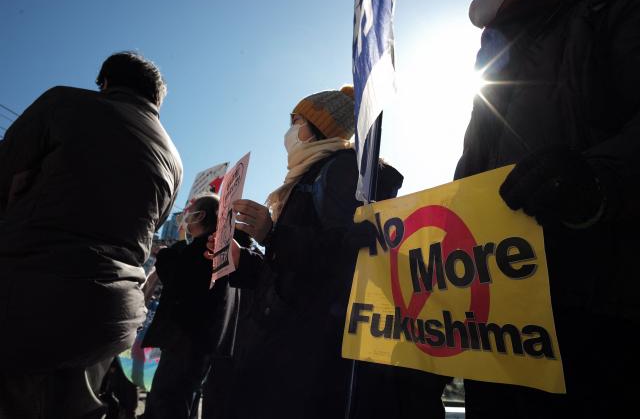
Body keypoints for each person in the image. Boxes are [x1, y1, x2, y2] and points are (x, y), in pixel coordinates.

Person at [457, 0, 640, 418]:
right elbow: (471, 169)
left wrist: (598, 179)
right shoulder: (494, 46)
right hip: (501, 327)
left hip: (600, 314)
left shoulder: (611, 6)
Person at [205, 86, 409, 419]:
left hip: (309, 354)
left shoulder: (340, 170)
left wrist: (272, 233)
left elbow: (349, 251)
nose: (289, 130)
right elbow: (289, 272)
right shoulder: (308, 175)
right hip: (289, 343)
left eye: (296, 120)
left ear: (315, 127)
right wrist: (244, 262)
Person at [0, 51, 182, 419]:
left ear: (105, 83)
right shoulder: (173, 159)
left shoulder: (65, 102)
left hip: (30, 293)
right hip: (110, 316)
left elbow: (6, 172)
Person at [142, 194, 240, 419]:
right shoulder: (222, 251)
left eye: (190, 213)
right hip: (200, 344)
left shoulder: (201, 250)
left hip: (184, 342)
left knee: (166, 401)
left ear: (201, 216)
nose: (186, 219)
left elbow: (172, 272)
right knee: (185, 400)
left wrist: (176, 244)